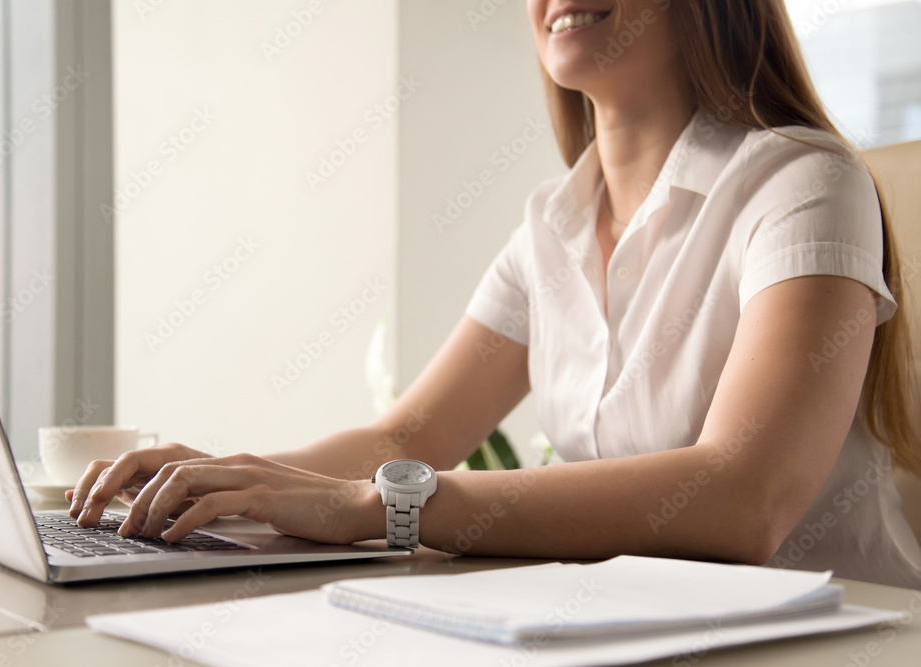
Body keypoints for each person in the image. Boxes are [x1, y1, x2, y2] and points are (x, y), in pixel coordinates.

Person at [66, 0, 921, 588]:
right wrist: (229, 480)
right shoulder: (551, 226)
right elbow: (408, 431)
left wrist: (381, 506)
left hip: (837, 639)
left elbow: (747, 496)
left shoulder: (804, 182)